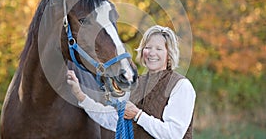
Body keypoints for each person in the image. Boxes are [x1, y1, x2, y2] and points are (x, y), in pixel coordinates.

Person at [67, 25, 196, 139]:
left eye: (158, 49)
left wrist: (138, 115)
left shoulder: (181, 86)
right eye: (148, 47)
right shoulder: (136, 84)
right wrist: (80, 95)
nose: (151, 53)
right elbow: (112, 120)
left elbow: (173, 134)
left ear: (169, 54)